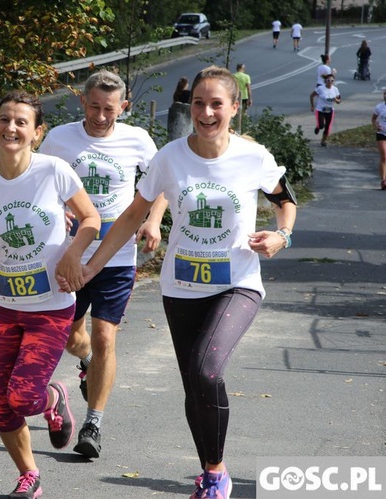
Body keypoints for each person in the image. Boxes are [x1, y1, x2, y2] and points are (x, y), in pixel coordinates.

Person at [59, 65, 297, 499]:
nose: (206, 112)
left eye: (216, 104)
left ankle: (218, 474)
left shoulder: (253, 156)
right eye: (198, 103)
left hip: (237, 282)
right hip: (181, 286)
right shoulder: (169, 156)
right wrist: (94, 266)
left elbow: (284, 200)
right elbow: (134, 213)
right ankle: (210, 472)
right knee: (195, 383)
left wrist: (282, 235)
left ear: (234, 107)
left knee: (207, 370)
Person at [0, 90, 100, 498]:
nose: (11, 127)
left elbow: (90, 217)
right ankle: (29, 475)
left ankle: (52, 396)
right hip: (3, 305)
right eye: (5, 120)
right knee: (1, 403)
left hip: (51, 305)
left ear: (36, 133)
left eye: (21, 122)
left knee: (24, 395)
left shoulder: (53, 171)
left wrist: (74, 253)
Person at [38, 70, 168, 459]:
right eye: (93, 106)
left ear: (123, 107)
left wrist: (154, 219)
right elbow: (38, 180)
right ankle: (90, 366)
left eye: (109, 109)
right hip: (71, 251)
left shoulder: (137, 140)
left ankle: (93, 423)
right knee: (69, 337)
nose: (99, 116)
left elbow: (162, 182)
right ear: (83, 102)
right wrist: (54, 212)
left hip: (117, 254)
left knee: (105, 335)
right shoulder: (60, 138)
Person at [310, 75, 341, 147]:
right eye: (328, 80)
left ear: (333, 81)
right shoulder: (320, 88)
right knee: (321, 126)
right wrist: (312, 106)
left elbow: (339, 101)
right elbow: (311, 95)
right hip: (320, 110)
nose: (330, 82)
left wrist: (336, 100)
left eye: (332, 81)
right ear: (325, 81)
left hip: (330, 111)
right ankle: (318, 127)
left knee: (327, 127)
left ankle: (323, 141)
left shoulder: (335, 89)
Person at [370, 90, 386, 190]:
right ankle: (383, 180)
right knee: (384, 156)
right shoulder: (379, 107)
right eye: (385, 94)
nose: (385, 96)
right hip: (382, 133)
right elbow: (373, 119)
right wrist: (376, 126)